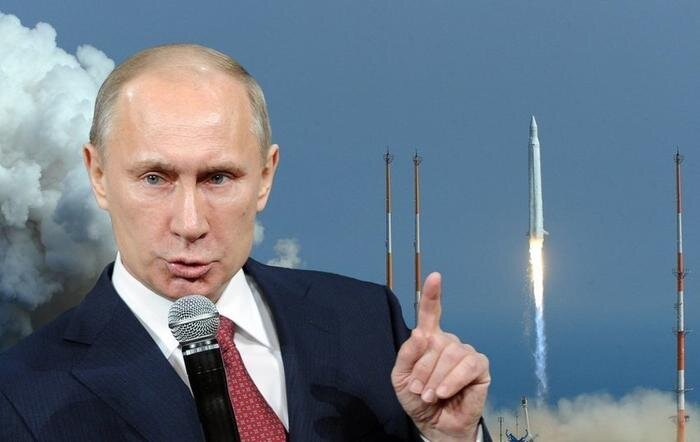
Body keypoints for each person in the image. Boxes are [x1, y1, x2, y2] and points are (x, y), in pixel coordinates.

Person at [0, 44, 491, 441]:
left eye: (218, 178)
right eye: (154, 178)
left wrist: (450, 438)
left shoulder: (366, 323)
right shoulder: (20, 396)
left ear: (265, 177)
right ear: (99, 175)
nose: (189, 223)